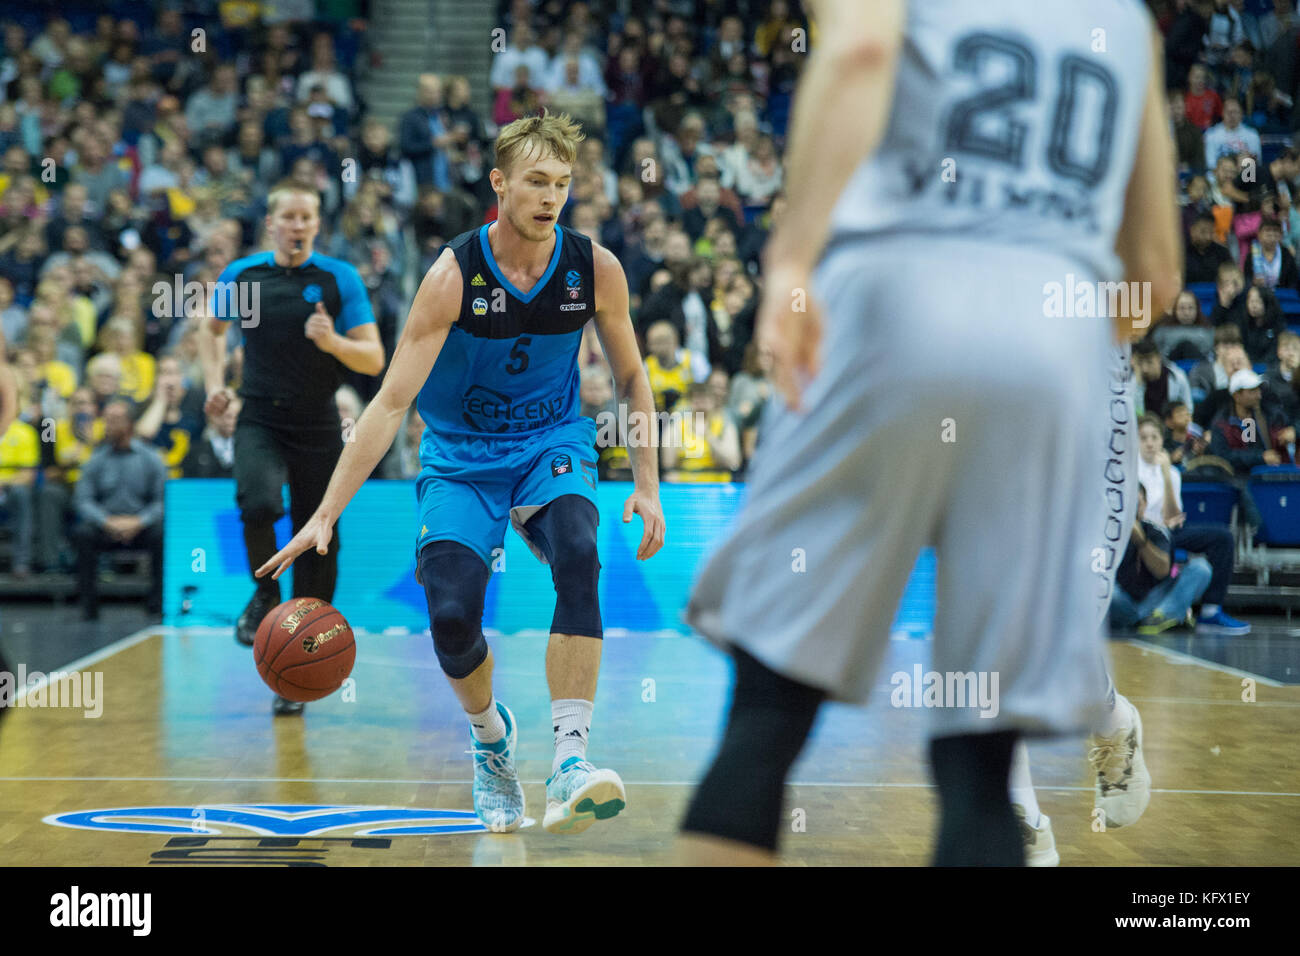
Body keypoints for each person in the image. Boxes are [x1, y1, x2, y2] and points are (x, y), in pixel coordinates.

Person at [675, 0, 1181, 865]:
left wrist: (791, 261)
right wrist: (1031, 333)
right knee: (983, 758)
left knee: (768, 713)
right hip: (1062, 340)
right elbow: (1157, 278)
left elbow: (864, 50)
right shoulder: (1127, 22)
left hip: (893, 301)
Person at [257, 111, 665, 834]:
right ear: (500, 183)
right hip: (461, 454)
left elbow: (633, 379)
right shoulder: (452, 275)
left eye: (563, 184)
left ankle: (571, 761)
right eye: (536, 181)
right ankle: (490, 742)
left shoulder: (594, 267)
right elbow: (389, 404)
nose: (550, 197)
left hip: (552, 443)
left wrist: (647, 482)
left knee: (578, 553)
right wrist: (324, 511)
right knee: (450, 615)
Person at [199, 180, 385, 716]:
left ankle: (297, 664)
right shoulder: (243, 275)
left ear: (317, 225)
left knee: (318, 540)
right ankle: (264, 597)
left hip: (319, 424)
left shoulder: (337, 278)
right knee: (258, 501)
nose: (299, 225)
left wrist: (332, 342)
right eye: (290, 217)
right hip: (257, 415)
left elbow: (373, 359)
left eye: (308, 217)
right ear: (272, 223)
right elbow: (210, 331)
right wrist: (216, 383)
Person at [1136, 414, 1250, 634]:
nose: (1150, 443)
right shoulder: (1129, 469)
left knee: (1222, 537)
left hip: (1167, 530)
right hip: (1142, 531)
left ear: (1162, 440)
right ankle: (1163, 608)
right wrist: (1158, 522)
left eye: (1154, 437)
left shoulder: (1171, 472)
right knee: (1163, 540)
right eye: (1143, 438)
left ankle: (1210, 611)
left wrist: (1167, 475)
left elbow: (1173, 514)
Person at [71, 398, 165, 619]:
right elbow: (82, 500)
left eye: (115, 420)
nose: (108, 425)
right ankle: (89, 607)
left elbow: (163, 501)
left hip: (141, 526)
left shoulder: (151, 458)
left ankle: (156, 603)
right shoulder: (96, 459)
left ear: (130, 425)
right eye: (106, 420)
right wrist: (106, 521)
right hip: (106, 525)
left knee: (163, 534)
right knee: (83, 534)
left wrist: (139, 521)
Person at [1109, 483, 1212, 634]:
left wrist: (1141, 541)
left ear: (1144, 505)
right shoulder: (1108, 532)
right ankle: (1159, 618)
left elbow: (1162, 571)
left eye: (1137, 503)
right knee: (1109, 592)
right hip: (1121, 601)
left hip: (1154, 600)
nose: (1134, 508)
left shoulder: (1156, 531)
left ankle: (1160, 616)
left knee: (1201, 568)